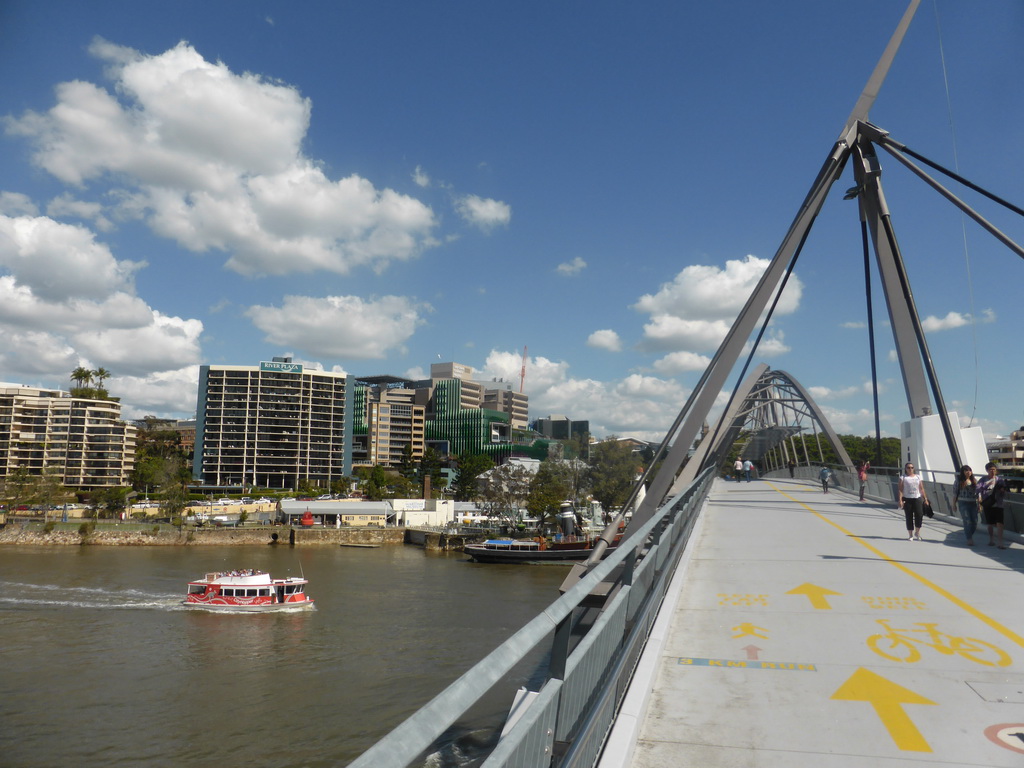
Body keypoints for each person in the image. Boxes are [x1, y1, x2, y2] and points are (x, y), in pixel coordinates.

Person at [978, 462, 1007, 549]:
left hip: (998, 504)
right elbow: (977, 490)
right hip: (988, 504)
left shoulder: (999, 480)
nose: (992, 471)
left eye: (994, 469)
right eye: (990, 469)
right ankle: (991, 539)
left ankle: (1000, 542)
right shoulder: (983, 480)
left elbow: (1004, 490)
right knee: (990, 523)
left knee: (1000, 523)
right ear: (987, 470)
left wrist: (1002, 490)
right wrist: (987, 485)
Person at [897, 462, 929, 541]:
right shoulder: (903, 477)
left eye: (912, 467)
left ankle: (917, 532)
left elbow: (921, 488)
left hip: (917, 498)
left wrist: (925, 498)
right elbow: (900, 490)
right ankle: (910, 535)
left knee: (919, 514)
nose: (910, 469)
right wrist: (900, 500)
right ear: (906, 469)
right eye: (908, 468)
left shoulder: (918, 477)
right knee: (909, 516)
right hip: (907, 499)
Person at [950, 465, 978, 546]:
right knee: (967, 521)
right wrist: (954, 504)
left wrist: (979, 504)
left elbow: (978, 493)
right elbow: (955, 493)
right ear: (963, 472)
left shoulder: (974, 481)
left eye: (969, 470)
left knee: (974, 522)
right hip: (963, 502)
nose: (968, 472)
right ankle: (969, 538)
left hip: (973, 503)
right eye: (966, 471)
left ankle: (969, 534)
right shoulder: (958, 481)